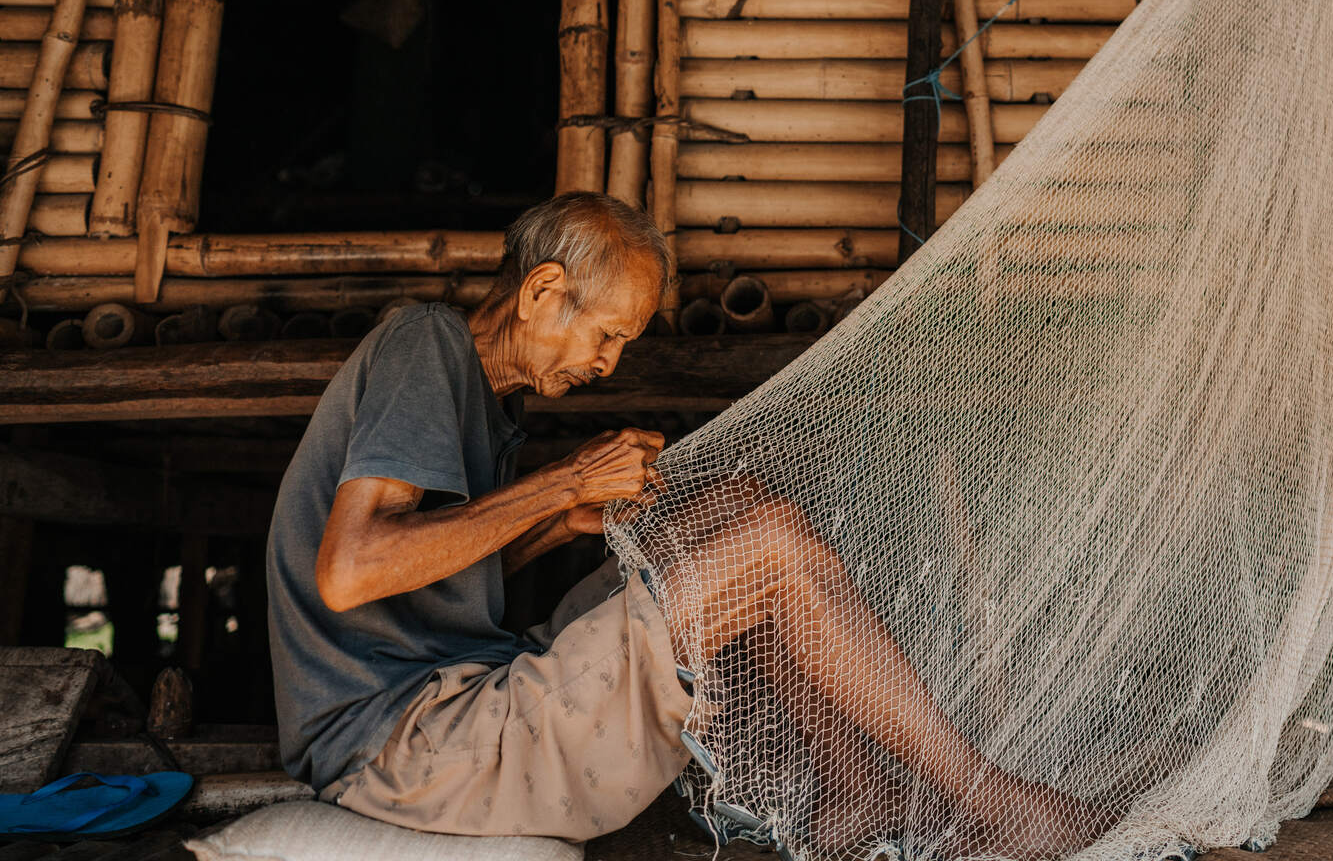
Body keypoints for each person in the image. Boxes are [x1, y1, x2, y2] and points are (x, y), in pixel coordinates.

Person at [267, 193, 1094, 849]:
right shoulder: (427, 343)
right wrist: (561, 484)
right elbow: (352, 572)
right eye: (607, 334)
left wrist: (560, 522)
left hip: (457, 704)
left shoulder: (492, 399)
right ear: (543, 292)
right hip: (406, 750)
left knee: (734, 508)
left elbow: (422, 587)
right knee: (767, 546)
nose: (608, 363)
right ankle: (992, 801)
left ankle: (856, 787)